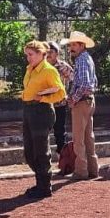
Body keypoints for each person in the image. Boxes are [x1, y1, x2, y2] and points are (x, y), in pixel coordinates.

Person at [21, 40, 66, 199]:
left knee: (41, 150)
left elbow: (61, 93)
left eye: (31, 54)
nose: (28, 58)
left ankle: (44, 186)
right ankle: (40, 182)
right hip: (28, 109)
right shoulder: (30, 69)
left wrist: (43, 99)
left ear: (41, 54)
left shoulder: (49, 70)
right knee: (29, 151)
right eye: (27, 55)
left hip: (42, 111)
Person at [60, 30, 99, 179]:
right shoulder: (87, 58)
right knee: (89, 137)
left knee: (78, 139)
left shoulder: (81, 60)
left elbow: (84, 84)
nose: (71, 47)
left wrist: (73, 99)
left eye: (74, 44)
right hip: (89, 100)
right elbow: (92, 82)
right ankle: (92, 169)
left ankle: (81, 171)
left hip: (82, 102)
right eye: (71, 44)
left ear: (82, 45)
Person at [47, 40, 73, 153]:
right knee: (43, 131)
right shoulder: (41, 66)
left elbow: (75, 79)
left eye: (51, 51)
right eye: (46, 51)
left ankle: (63, 157)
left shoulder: (62, 66)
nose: (48, 54)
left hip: (59, 104)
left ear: (57, 53)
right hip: (45, 104)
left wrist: (70, 95)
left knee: (59, 132)